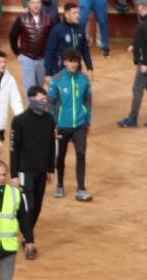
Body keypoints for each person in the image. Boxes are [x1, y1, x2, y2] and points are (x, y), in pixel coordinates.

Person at [8, 84, 53, 259]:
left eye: (45, 100)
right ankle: (30, 244)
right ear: (32, 100)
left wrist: (50, 169)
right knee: (29, 206)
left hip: (41, 170)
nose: (44, 103)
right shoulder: (19, 121)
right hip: (25, 171)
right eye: (41, 100)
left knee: (38, 207)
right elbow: (13, 149)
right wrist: (13, 174)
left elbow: (51, 145)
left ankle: (26, 234)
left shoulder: (49, 119)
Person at [48, 48, 92, 201]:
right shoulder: (57, 79)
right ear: (65, 62)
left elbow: (88, 100)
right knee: (60, 156)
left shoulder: (84, 79)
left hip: (80, 125)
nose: (73, 64)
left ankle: (81, 188)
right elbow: (51, 103)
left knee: (81, 154)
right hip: (62, 126)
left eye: (76, 61)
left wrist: (87, 121)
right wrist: (53, 124)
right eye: (70, 61)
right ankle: (60, 184)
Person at [120, 0, 147, 127]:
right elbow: (143, 38)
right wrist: (134, 45)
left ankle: (132, 118)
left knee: (137, 88)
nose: (137, 7)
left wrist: (145, 63)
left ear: (144, 7)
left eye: (139, 5)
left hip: (146, 61)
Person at [7, 0, 53, 92]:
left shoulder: (49, 19)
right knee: (29, 86)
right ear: (28, 4)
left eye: (38, 3)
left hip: (42, 58)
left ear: (41, 4)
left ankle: (39, 105)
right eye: (33, 3)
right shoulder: (21, 18)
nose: (35, 5)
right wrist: (17, 52)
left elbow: (53, 39)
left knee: (40, 85)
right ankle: (31, 106)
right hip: (27, 57)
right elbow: (13, 36)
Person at [43, 1, 92, 79]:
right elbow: (49, 52)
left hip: (77, 70)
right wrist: (48, 73)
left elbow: (85, 50)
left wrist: (89, 68)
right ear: (66, 14)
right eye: (74, 13)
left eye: (78, 13)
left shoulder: (81, 29)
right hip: (60, 71)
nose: (77, 16)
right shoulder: (57, 30)